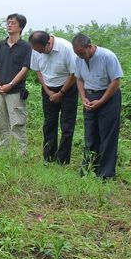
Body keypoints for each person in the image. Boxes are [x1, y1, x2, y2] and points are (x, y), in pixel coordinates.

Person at [72, 32, 123, 179]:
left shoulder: (108, 56)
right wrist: (83, 98)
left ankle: (106, 174)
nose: (80, 56)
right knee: (90, 135)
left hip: (108, 96)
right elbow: (79, 79)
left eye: (81, 53)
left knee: (107, 135)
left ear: (89, 46)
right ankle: (89, 168)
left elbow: (115, 81)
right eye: (77, 53)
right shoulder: (79, 58)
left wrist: (102, 101)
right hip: (89, 96)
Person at [29, 31, 78, 164]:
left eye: (42, 50)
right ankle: (49, 157)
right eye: (37, 51)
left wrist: (61, 93)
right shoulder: (36, 49)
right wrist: (47, 90)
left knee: (67, 126)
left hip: (67, 89)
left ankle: (63, 160)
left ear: (49, 43)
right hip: (48, 89)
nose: (40, 53)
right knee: (49, 124)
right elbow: (38, 70)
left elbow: (74, 73)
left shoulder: (66, 48)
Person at [0, 13, 32, 153]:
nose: (9, 25)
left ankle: (21, 154)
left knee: (17, 124)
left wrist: (11, 84)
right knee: (1, 124)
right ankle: (2, 152)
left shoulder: (26, 47)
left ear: (20, 27)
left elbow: (25, 68)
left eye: (13, 23)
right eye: (8, 22)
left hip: (15, 91)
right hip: (0, 90)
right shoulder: (0, 45)